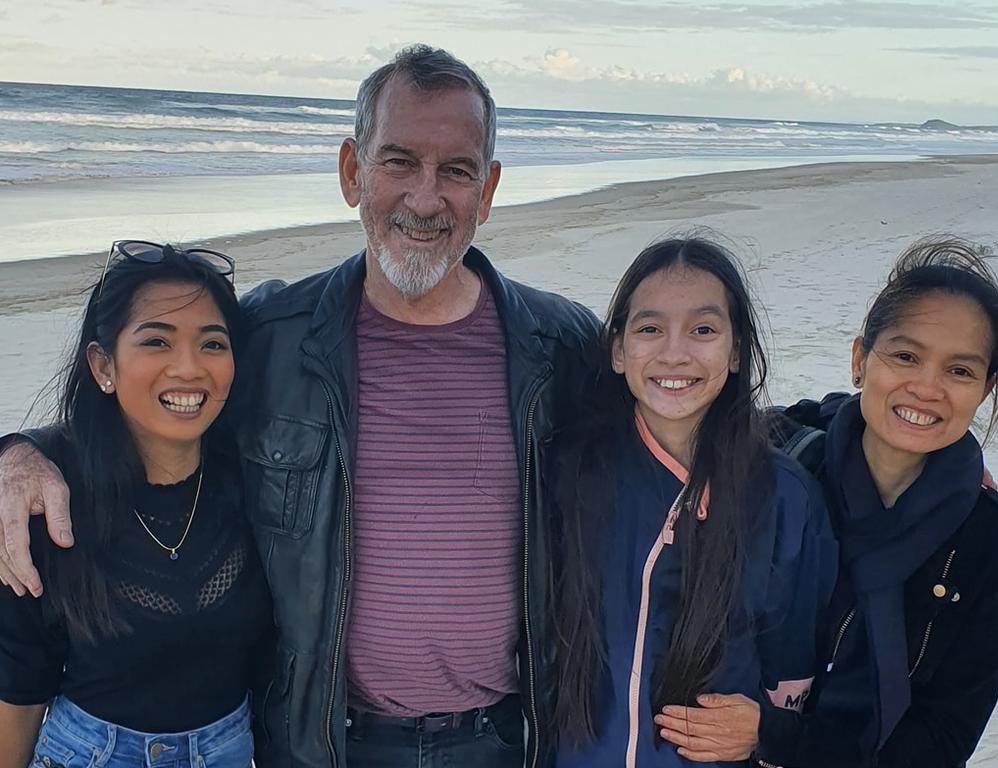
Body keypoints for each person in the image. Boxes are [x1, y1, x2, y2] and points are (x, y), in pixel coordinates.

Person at [0, 46, 599, 768]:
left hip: (507, 738)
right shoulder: (272, 338)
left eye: (457, 170)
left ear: (489, 187)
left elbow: (672, 442)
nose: (425, 197)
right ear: (353, 171)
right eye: (399, 161)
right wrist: (19, 452)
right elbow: (157, 400)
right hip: (321, 742)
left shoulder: (562, 347)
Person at [657, 237, 998, 767]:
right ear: (860, 359)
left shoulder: (994, 544)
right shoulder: (781, 459)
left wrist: (774, 735)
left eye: (960, 371)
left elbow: (943, 741)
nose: (927, 387)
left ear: (984, 390)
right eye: (905, 356)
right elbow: (664, 422)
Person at [544, 237, 836, 768]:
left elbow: (793, 668)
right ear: (617, 350)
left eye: (703, 329)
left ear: (737, 349)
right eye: (650, 329)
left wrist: (768, 733)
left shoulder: (786, 498)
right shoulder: (569, 473)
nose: (675, 353)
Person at [0, 242, 274, 768]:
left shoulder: (258, 481)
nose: (189, 368)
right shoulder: (47, 502)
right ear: (103, 365)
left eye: (213, 345)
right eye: (156, 341)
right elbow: (19, 682)